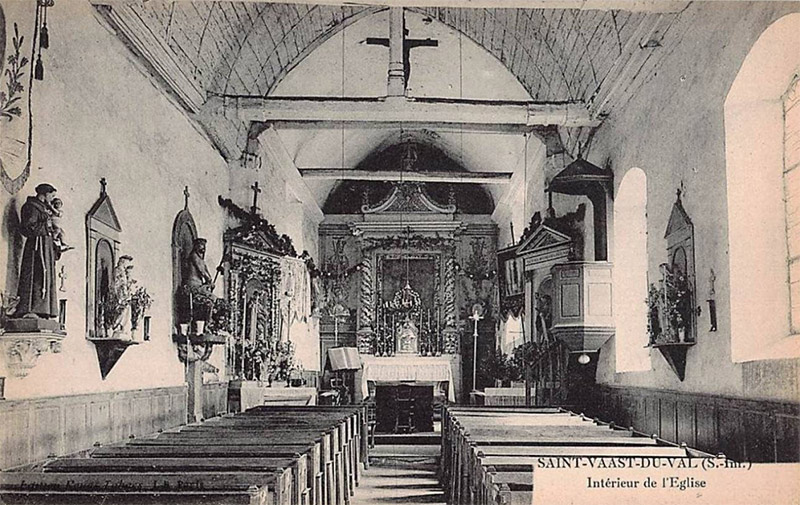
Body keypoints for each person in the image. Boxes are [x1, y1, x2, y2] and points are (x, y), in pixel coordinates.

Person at [15, 183, 60, 319]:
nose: (52, 199)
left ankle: (44, 309)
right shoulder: (31, 207)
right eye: (51, 195)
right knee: (37, 274)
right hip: (36, 247)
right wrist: (46, 227)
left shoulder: (45, 209)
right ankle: (31, 308)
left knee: (45, 275)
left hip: (46, 246)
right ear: (44, 194)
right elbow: (28, 227)